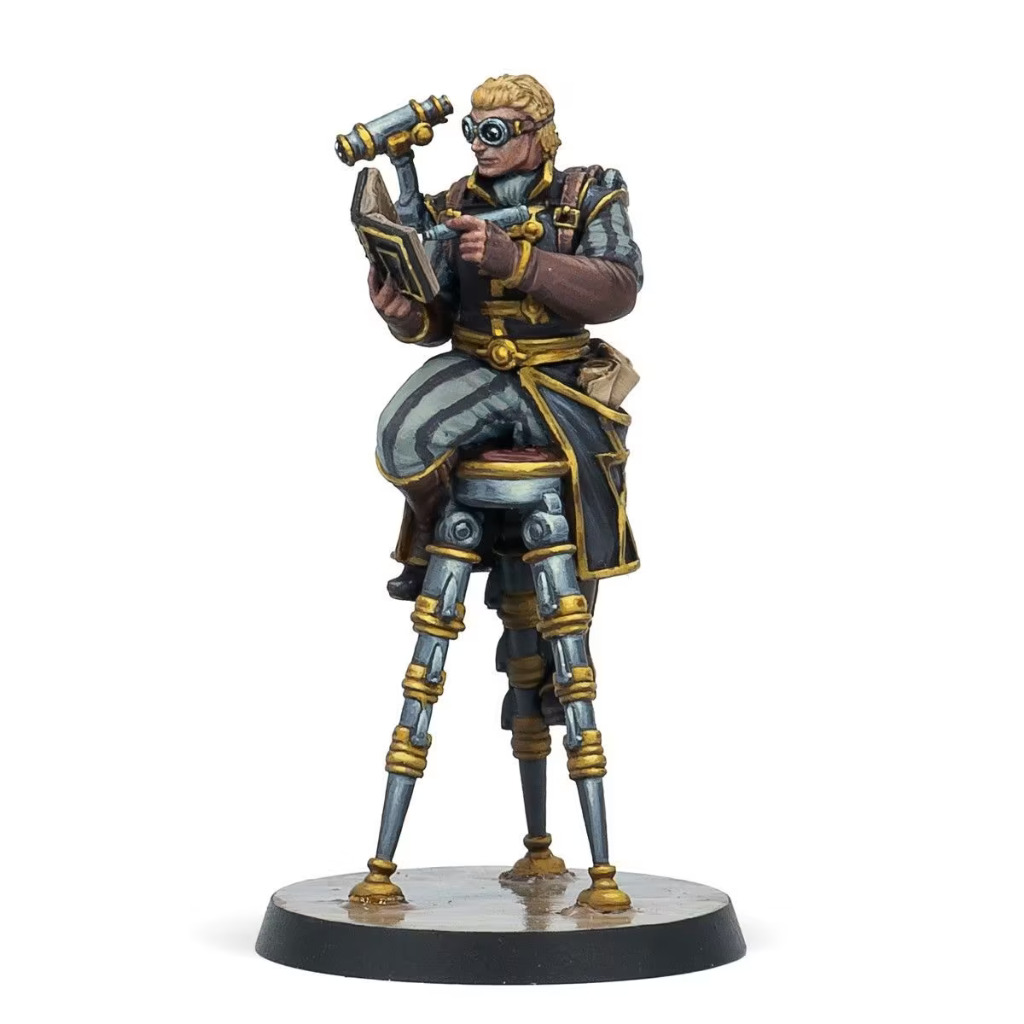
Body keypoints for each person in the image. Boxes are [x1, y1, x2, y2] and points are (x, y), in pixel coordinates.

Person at [370, 73, 643, 600]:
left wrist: (520, 263)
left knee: (572, 548)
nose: (477, 144)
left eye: (492, 132)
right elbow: (438, 319)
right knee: (400, 435)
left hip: (562, 379)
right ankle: (435, 527)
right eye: (471, 130)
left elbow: (619, 288)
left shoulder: (589, 194)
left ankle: (554, 627)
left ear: (538, 133)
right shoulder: (454, 202)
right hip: (476, 368)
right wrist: (404, 315)